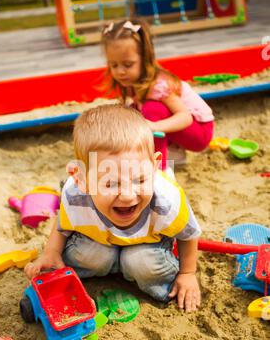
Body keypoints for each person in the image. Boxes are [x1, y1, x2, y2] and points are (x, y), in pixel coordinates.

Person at [25, 105, 201, 312]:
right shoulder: (76, 195)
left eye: (140, 179)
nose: (127, 195)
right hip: (98, 243)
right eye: (110, 183)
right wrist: (51, 252)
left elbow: (188, 234)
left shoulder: (166, 201)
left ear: (154, 167)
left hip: (146, 247)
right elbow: (64, 222)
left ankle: (142, 275)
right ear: (80, 179)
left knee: (140, 262)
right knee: (91, 256)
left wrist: (188, 273)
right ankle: (95, 268)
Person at [101, 18, 215, 169]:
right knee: (131, 113)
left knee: (152, 110)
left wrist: (154, 126)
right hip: (178, 129)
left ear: (145, 58)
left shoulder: (158, 85)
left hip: (200, 131)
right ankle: (173, 153)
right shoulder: (130, 80)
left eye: (128, 64)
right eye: (113, 65)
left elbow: (185, 117)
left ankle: (158, 169)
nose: (120, 71)